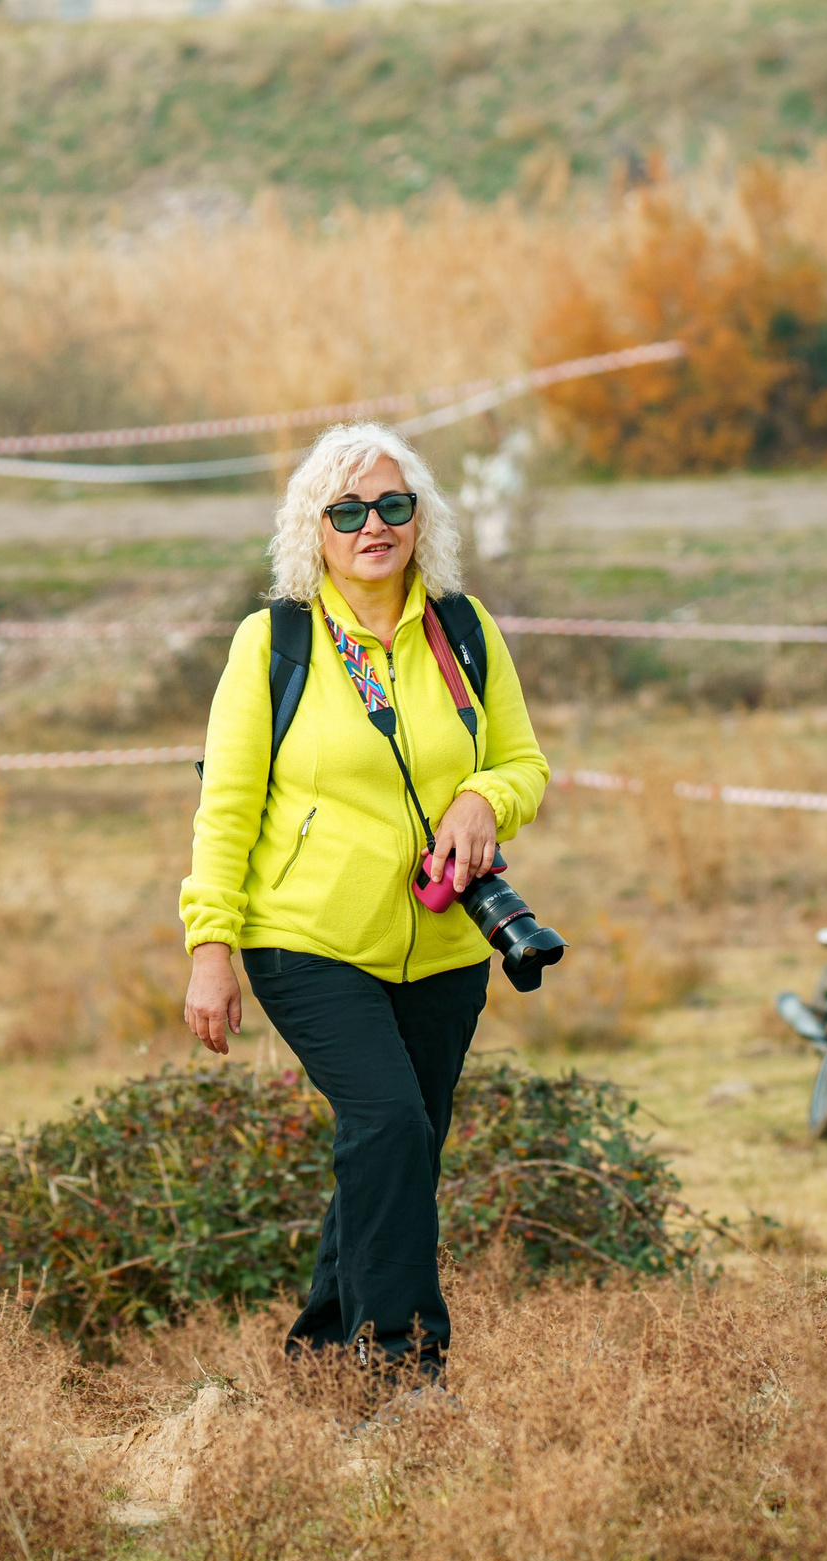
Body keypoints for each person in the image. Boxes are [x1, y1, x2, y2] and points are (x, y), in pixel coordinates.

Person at [179, 422, 549, 1389]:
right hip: (306, 938)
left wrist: (485, 798)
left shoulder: (465, 631)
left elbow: (523, 763)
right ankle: (401, 1367)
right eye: (346, 511)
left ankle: (319, 1354)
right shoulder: (275, 642)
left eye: (393, 504)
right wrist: (210, 947)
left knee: (404, 1146)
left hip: (444, 944)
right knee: (387, 1124)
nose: (373, 525)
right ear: (315, 530)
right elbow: (226, 806)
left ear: (422, 519)